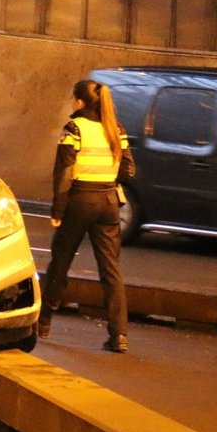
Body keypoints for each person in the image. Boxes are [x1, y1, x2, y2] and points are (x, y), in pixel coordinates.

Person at [39, 79, 135, 352]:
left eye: (73, 98)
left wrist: (58, 210)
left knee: (61, 262)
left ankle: (43, 322)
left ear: (80, 102)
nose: (72, 103)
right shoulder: (116, 129)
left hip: (79, 201)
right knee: (111, 270)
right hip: (109, 202)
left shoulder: (74, 129)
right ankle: (119, 335)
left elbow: (64, 172)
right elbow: (129, 170)